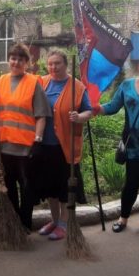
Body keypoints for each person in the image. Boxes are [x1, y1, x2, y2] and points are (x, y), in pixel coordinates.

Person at [96, 50, 139, 236]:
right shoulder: (127, 86)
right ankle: (123, 218)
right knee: (131, 184)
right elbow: (112, 107)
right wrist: (96, 108)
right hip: (133, 146)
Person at [35, 50, 92, 241]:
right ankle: (54, 219)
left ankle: (64, 223)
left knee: (64, 187)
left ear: (66, 64)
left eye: (57, 63)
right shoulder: (41, 83)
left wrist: (79, 117)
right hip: (45, 144)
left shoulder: (77, 87)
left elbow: (89, 112)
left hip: (65, 146)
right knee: (50, 187)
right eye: (50, 64)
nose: (53, 67)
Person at [0, 43, 51, 230]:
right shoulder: (0, 81)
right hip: (4, 145)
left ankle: (25, 223)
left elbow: (41, 115)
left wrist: (38, 140)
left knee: (27, 187)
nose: (16, 62)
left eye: (20, 59)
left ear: (27, 62)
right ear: (8, 60)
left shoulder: (34, 82)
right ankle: (14, 222)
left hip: (25, 147)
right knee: (8, 187)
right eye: (13, 58)